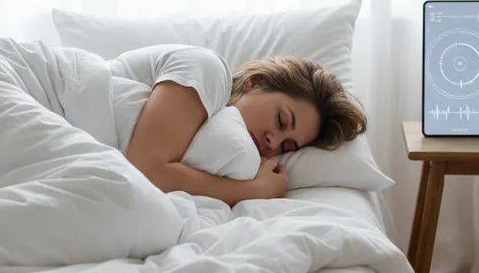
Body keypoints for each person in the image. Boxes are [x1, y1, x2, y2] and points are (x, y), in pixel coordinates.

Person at [107, 44, 367, 207]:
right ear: (254, 82)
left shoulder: (216, 143)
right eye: (281, 120)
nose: (273, 143)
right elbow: (146, 170)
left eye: (287, 145)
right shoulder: (207, 70)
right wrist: (256, 191)